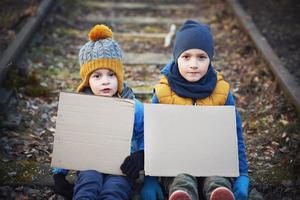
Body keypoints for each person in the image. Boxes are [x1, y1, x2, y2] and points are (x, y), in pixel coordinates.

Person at [145, 20, 249, 200]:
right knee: (181, 180)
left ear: (210, 59)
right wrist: (150, 179)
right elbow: (153, 137)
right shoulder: (163, 92)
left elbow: (235, 135)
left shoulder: (222, 92)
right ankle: (182, 196)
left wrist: (242, 174)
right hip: (176, 163)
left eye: (201, 57)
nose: (193, 64)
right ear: (176, 57)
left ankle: (219, 194)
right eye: (186, 57)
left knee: (217, 179)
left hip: (213, 160)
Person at [52, 24, 145, 200]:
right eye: (97, 76)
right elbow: (70, 138)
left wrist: (140, 156)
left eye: (111, 75)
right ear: (87, 81)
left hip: (121, 167)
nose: (105, 81)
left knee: (115, 189)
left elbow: (143, 135)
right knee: (88, 183)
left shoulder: (134, 107)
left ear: (119, 77)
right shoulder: (80, 107)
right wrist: (59, 173)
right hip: (89, 163)